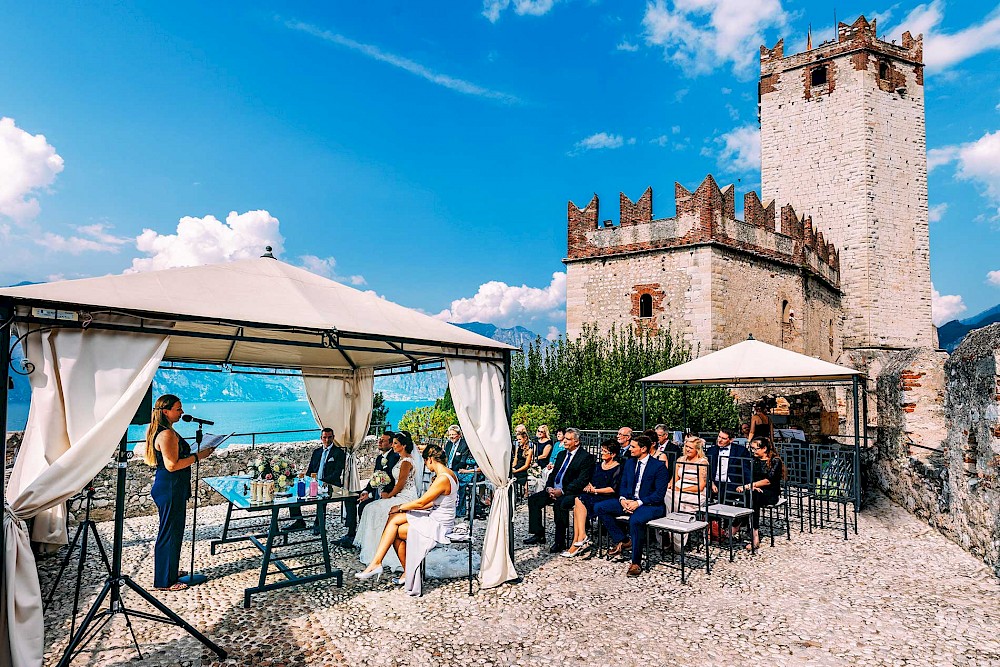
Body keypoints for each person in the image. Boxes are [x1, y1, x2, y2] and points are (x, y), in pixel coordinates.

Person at [355, 444, 458, 595]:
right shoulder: (448, 474)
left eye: (425, 462)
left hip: (439, 525)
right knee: (394, 520)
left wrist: (401, 506)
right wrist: (403, 508)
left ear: (429, 459)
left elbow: (422, 502)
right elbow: (429, 503)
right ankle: (378, 563)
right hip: (435, 517)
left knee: (395, 531)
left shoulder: (443, 478)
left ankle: (389, 566)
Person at [144, 394, 216, 591]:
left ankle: (170, 571)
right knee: (168, 533)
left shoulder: (165, 432)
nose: (182, 412)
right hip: (170, 488)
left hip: (172, 487)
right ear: (166, 411)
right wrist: (198, 456)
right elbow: (172, 465)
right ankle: (164, 581)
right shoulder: (166, 434)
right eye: (178, 409)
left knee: (174, 532)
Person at [595, 435, 669, 577]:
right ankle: (623, 540)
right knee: (600, 507)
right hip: (628, 500)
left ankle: (636, 562)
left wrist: (638, 503)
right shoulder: (629, 463)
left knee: (635, 521)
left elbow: (659, 494)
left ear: (643, 448)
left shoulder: (658, 466)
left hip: (650, 505)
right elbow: (623, 484)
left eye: (633, 447)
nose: (630, 449)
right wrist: (622, 499)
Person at [354, 431, 425, 571]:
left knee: (375, 508)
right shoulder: (400, 459)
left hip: (405, 497)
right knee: (370, 508)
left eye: (395, 443)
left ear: (403, 446)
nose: (393, 446)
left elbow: (401, 484)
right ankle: (374, 547)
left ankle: (385, 552)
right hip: (398, 495)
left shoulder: (406, 462)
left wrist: (389, 495)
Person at [524, 427, 594, 553]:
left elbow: (581, 481)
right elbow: (553, 474)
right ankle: (538, 533)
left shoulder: (585, 457)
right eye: (565, 438)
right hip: (554, 489)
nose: (564, 441)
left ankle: (560, 541)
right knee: (533, 500)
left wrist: (561, 491)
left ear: (576, 442)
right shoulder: (562, 455)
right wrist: (549, 487)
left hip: (571, 492)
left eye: (568, 439)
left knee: (560, 504)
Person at [288, 427, 354, 540]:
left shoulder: (338, 453)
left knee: (321, 498)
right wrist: (307, 480)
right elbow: (310, 470)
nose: (327, 440)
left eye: (329, 437)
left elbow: (337, 473)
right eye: (324, 437)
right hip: (314, 482)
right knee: (295, 491)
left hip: (330, 484)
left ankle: (318, 524)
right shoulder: (316, 452)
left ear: (333, 438)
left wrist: (321, 482)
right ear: (321, 438)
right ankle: (299, 520)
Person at [563, 439, 622, 557]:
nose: (602, 453)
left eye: (605, 451)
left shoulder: (618, 468)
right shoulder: (598, 465)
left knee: (580, 501)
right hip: (593, 494)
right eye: (602, 450)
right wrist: (589, 486)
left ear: (613, 454)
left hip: (607, 497)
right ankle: (580, 537)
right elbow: (591, 479)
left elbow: (613, 489)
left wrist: (595, 490)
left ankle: (578, 541)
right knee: (578, 500)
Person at [737, 436, 785, 551]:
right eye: (752, 449)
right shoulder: (754, 460)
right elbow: (750, 476)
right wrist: (752, 486)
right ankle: (753, 532)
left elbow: (769, 480)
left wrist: (751, 486)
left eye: (755, 449)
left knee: (751, 497)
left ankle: (739, 527)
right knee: (750, 496)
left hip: (771, 493)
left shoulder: (775, 461)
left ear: (764, 449)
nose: (753, 451)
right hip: (756, 491)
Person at [664, 436, 709, 551]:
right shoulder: (680, 459)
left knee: (673, 500)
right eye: (686, 447)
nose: (687, 449)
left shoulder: (702, 462)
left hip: (694, 493)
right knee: (665, 496)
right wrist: (670, 485)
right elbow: (674, 478)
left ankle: (677, 539)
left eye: (691, 448)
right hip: (677, 489)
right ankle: (668, 533)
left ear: (697, 450)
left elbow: (701, 486)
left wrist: (682, 490)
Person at [355, 431, 400, 539]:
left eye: (383, 440)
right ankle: (361, 535)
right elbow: (375, 478)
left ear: (390, 444)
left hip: (388, 494)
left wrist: (384, 493)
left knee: (365, 506)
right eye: (380, 439)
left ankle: (374, 537)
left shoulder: (395, 458)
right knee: (356, 501)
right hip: (376, 493)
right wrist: (366, 491)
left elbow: (394, 480)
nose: (379, 442)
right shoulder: (380, 458)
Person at [706, 428, 753, 503]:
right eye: (719, 437)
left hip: (732, 483)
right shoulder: (711, 450)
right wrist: (711, 482)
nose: (720, 440)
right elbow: (707, 469)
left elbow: (746, 470)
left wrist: (749, 485)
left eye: (723, 438)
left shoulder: (740, 451)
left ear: (731, 440)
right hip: (714, 482)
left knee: (724, 495)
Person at [511, 430, 534, 497]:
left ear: (525, 438)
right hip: (518, 466)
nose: (518, 441)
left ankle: (525, 490)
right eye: (517, 439)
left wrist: (516, 470)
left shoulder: (529, 450)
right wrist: (513, 468)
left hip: (524, 468)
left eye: (520, 439)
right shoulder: (518, 448)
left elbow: (526, 465)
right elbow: (515, 460)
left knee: (516, 474)